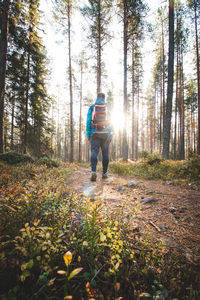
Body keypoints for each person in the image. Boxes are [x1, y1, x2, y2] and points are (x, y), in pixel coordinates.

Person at [86, 92, 113, 181]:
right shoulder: (108, 108)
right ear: (104, 98)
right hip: (105, 134)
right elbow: (112, 123)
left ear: (97, 98)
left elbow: (88, 121)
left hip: (95, 133)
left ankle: (93, 172)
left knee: (94, 152)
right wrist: (111, 135)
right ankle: (104, 173)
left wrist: (89, 134)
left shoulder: (92, 107)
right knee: (105, 154)